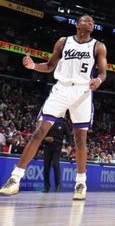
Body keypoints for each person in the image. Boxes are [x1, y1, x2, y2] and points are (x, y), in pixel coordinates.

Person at [0, 15, 107, 200]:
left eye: (92, 22)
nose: (90, 23)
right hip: (61, 90)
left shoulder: (98, 46)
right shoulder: (63, 42)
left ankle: (81, 183)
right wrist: (33, 65)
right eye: (86, 20)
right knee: (38, 133)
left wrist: (98, 80)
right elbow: (49, 66)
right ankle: (15, 179)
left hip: (82, 92)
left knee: (80, 140)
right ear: (77, 24)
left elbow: (103, 73)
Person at [42, 119, 67, 193]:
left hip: (57, 147)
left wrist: (69, 145)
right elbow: (41, 134)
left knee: (55, 164)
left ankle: (57, 184)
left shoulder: (63, 123)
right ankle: (46, 186)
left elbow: (69, 135)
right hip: (47, 147)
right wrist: (45, 138)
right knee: (46, 167)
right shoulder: (47, 122)